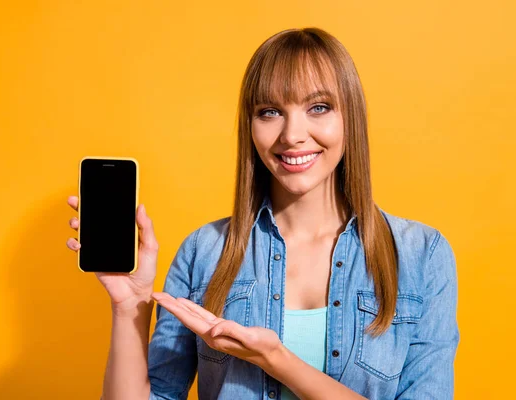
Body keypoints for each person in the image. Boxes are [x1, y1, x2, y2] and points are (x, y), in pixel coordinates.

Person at [66, 27, 460, 400]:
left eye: (318, 107)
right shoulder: (204, 252)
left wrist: (277, 360)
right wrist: (127, 308)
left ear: (349, 117)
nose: (292, 135)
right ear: (249, 126)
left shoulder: (421, 255)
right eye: (270, 112)